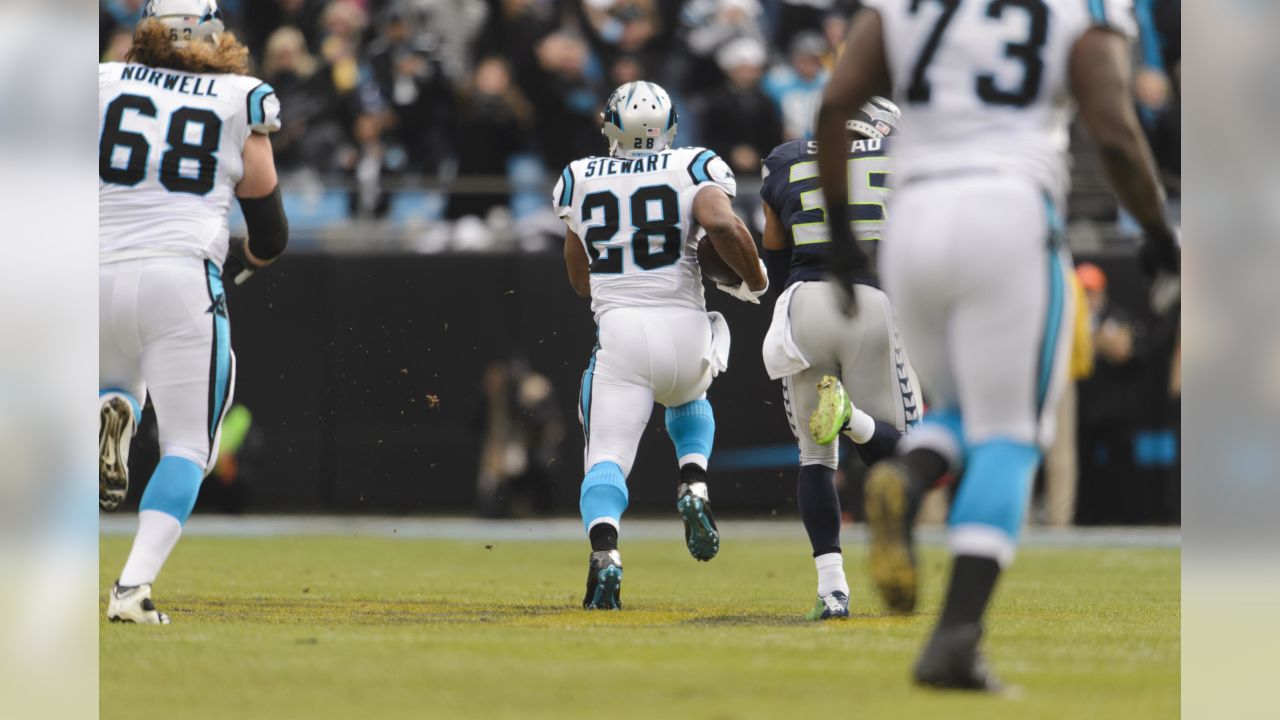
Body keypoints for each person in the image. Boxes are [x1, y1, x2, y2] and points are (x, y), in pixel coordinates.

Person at [814, 0, 1179, 689]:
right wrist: (1159, 234)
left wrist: (837, 234)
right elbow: (1115, 130)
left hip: (911, 216)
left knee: (958, 411)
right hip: (1008, 209)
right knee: (1012, 434)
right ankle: (954, 640)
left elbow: (835, 103)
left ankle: (908, 473)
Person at [99, 0, 288, 624]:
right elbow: (271, 227)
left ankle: (115, 400)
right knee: (189, 443)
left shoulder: (99, 80)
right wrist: (248, 259)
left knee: (116, 372)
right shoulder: (239, 96)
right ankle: (131, 587)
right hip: (181, 274)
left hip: (90, 267)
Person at [551, 81, 768, 609]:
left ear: (610, 125)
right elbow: (719, 221)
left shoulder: (577, 176)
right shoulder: (694, 164)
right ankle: (693, 480)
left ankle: (606, 551)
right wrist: (756, 278)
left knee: (606, 455)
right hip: (686, 327)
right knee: (689, 395)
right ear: (670, 126)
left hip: (623, 330)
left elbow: (580, 280)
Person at [758, 97, 922, 620]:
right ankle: (852, 420)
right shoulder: (904, 155)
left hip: (804, 300)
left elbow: (775, 250)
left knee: (813, 457)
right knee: (909, 453)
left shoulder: (785, 158)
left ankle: (832, 589)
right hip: (868, 298)